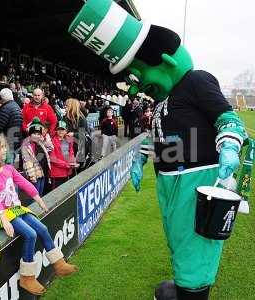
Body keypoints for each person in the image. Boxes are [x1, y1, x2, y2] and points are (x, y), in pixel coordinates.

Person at [68, 3, 248, 299]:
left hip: (196, 181)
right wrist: (141, 157)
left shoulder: (196, 80)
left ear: (166, 61)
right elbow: (162, 136)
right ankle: (184, 284)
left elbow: (227, 117)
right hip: (169, 179)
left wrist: (229, 145)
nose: (136, 86)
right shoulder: (165, 98)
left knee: (195, 239)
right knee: (177, 236)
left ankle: (193, 292)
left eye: (137, 73)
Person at [0, 133, 77, 296]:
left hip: (17, 210)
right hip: (5, 214)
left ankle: (58, 263)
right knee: (30, 234)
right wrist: (4, 219)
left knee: (42, 229)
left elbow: (25, 183)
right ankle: (27, 277)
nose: (5, 150)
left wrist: (39, 199)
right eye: (2, 147)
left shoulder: (8, 168)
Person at [21, 118, 51, 196]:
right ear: (30, 134)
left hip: (42, 172)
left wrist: (44, 138)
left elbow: (50, 147)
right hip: (35, 175)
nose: (36, 136)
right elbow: (27, 162)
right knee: (35, 196)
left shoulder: (40, 143)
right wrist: (32, 176)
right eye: (34, 134)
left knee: (40, 194)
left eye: (38, 134)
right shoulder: (26, 145)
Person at [0, 88, 23, 164]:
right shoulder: (16, 106)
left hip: (8, 143)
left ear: (2, 98)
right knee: (10, 166)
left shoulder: (6, 108)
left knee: (6, 166)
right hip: (16, 141)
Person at [50, 120, 77, 188]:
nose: (61, 131)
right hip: (57, 173)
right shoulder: (52, 141)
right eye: (59, 129)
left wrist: (73, 162)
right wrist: (67, 165)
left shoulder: (69, 140)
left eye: (62, 129)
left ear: (66, 131)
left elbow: (71, 153)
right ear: (56, 130)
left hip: (67, 172)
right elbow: (53, 159)